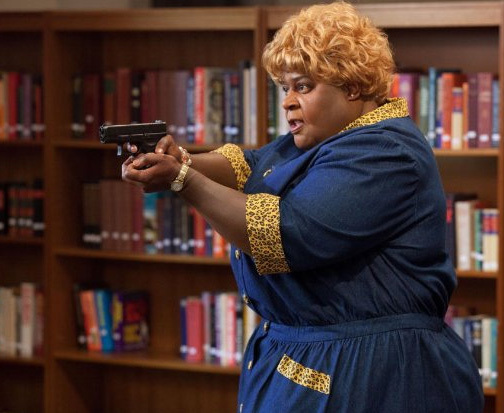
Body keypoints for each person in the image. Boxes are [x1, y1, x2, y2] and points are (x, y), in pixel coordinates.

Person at [122, 1, 484, 411]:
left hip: (376, 372)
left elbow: (285, 234)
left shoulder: (386, 152)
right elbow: (250, 166)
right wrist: (182, 159)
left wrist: (181, 179)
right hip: (316, 356)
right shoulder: (321, 139)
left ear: (352, 86)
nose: (288, 102)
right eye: (284, 88)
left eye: (304, 87)